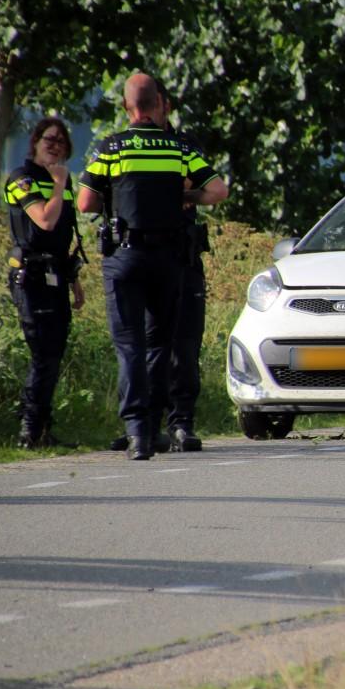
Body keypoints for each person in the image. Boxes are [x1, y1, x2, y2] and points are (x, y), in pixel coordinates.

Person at [77, 73, 228, 460]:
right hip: (169, 259)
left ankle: (137, 432)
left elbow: (85, 203)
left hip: (125, 257)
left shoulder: (113, 148)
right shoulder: (178, 148)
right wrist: (181, 195)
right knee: (161, 345)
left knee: (130, 346)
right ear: (159, 104)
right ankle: (160, 424)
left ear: (127, 107)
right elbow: (217, 191)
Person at [108, 81, 210, 453]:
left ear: (164, 105)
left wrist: (165, 193)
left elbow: (201, 186)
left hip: (180, 254)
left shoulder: (184, 145)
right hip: (142, 252)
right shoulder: (123, 146)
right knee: (147, 343)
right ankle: (146, 425)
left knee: (181, 344)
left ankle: (181, 420)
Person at [3, 118, 85, 448]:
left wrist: (75, 281)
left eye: (61, 142)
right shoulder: (20, 179)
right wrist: (60, 182)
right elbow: (46, 222)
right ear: (35, 142)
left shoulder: (57, 183)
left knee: (54, 352)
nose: (54, 145)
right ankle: (28, 428)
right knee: (42, 351)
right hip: (30, 276)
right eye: (48, 139)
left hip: (56, 275)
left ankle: (41, 427)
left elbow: (64, 237)